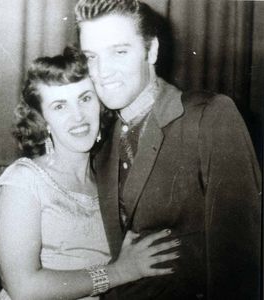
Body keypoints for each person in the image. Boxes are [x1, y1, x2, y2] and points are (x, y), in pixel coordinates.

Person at [74, 0, 262, 299]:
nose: (102, 72)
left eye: (119, 52)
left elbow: (240, 262)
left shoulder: (209, 116)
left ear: (152, 51)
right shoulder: (101, 142)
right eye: (91, 57)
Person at [0, 47, 180, 300]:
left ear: (100, 104)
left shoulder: (112, 178)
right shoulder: (24, 180)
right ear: (43, 120)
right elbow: (24, 288)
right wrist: (120, 272)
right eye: (59, 106)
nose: (77, 116)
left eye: (85, 98)